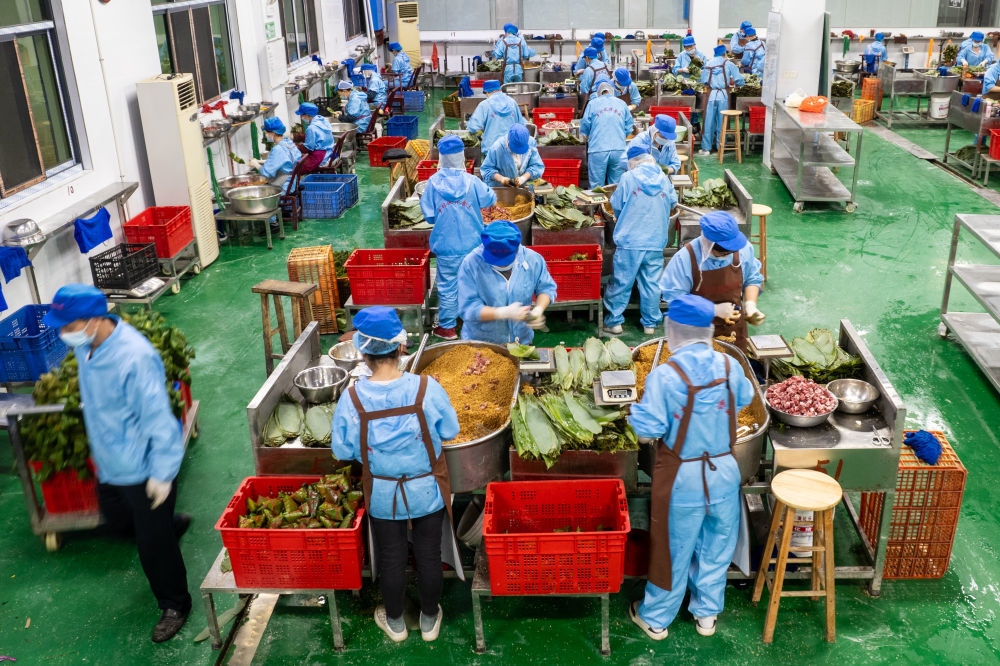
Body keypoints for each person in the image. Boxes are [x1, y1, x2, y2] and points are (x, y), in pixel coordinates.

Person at [43, 285, 190, 643]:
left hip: (143, 467)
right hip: (110, 461)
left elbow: (160, 420)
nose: (63, 334)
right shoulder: (87, 346)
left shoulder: (134, 358)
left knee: (152, 547)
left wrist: (162, 475)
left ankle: (175, 604)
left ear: (94, 320)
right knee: (116, 520)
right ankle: (168, 524)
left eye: (68, 326)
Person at [628, 293, 754, 641]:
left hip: (682, 480)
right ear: (708, 331)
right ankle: (706, 615)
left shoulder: (665, 377)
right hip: (724, 473)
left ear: (672, 331)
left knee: (673, 550)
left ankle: (656, 618)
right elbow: (744, 398)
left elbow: (647, 432)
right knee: (716, 545)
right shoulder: (730, 365)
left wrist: (634, 411)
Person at [331, 307, 460, 643]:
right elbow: (450, 430)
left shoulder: (352, 398)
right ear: (401, 347)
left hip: (384, 496)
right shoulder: (426, 388)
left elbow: (342, 451)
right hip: (427, 490)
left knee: (391, 558)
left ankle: (396, 624)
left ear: (363, 352)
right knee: (429, 554)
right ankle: (429, 621)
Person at [420, 135, 497, 340]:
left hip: (447, 247)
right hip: (473, 245)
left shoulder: (432, 183)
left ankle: (447, 327)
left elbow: (429, 216)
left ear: (441, 157)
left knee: (448, 286)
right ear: (461, 156)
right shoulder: (472, 182)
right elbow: (490, 198)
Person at [659, 211, 765, 352]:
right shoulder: (685, 259)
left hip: (732, 331)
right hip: (695, 333)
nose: (728, 255)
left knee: (734, 362)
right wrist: (714, 310)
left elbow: (752, 277)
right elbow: (676, 301)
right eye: (723, 253)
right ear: (709, 245)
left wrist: (750, 304)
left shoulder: (742, 249)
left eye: (731, 252)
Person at [603, 146, 676, 336]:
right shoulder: (664, 178)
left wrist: (624, 216)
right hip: (655, 240)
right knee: (651, 284)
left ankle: (614, 322)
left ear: (633, 162)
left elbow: (616, 205)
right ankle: (650, 324)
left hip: (630, 241)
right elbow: (673, 203)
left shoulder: (628, 178)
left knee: (621, 282)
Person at [457, 220, 556, 344]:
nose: (501, 265)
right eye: (495, 259)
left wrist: (538, 309)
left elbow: (546, 288)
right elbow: (468, 308)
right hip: (483, 343)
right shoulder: (471, 264)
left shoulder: (533, 260)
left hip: (521, 341)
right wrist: (501, 313)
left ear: (516, 249)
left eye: (506, 259)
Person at [580, 81, 634, 188]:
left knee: (596, 187)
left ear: (599, 93)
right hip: (618, 149)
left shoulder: (592, 103)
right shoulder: (622, 103)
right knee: (616, 186)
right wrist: (620, 135)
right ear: (612, 91)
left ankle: (597, 200)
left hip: (598, 149)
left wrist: (586, 135)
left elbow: (585, 125)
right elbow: (629, 127)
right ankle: (614, 199)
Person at [698, 45, 744, 156]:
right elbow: (739, 80)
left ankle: (706, 148)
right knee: (722, 122)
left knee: (708, 122)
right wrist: (738, 84)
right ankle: (721, 147)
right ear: (724, 53)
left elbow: (704, 81)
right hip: (723, 96)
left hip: (711, 96)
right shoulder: (728, 64)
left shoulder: (708, 64)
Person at [466, 80, 528, 154]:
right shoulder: (512, 102)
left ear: (487, 92)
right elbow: (521, 124)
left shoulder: (484, 104)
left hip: (492, 148)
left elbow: (473, 127)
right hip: (511, 146)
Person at [480, 124, 545, 189]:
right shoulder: (497, 148)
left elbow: (537, 166)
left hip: (524, 188)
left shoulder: (530, 143)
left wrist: (524, 178)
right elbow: (486, 169)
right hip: (502, 190)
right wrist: (501, 179)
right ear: (508, 141)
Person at [248, 117, 298, 192]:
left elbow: (266, 173)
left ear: (273, 133)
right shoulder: (289, 143)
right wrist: (259, 161)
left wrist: (256, 165)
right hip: (292, 182)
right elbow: (284, 161)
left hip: (284, 186)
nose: (266, 135)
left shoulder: (277, 149)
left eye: (266, 133)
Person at [296, 101, 335, 171]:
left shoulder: (311, 128)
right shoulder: (322, 120)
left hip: (322, 156)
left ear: (307, 115)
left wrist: (295, 147)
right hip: (331, 152)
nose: (301, 117)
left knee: (299, 167)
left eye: (302, 115)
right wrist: (300, 138)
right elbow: (318, 136)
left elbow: (308, 148)